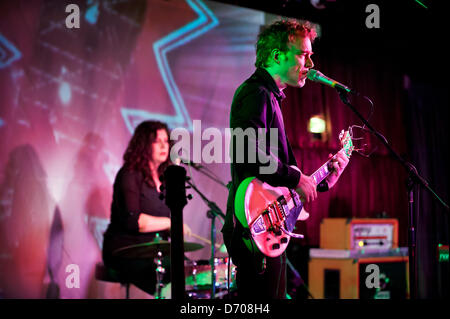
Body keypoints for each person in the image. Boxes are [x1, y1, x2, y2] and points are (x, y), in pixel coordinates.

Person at [222, 19, 350, 299]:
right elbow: (249, 153)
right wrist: (296, 177)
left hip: (268, 226)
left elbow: (279, 183)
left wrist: (324, 180)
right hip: (254, 227)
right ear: (277, 56)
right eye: (303, 54)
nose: (310, 63)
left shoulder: (270, 96)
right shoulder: (256, 92)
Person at [102, 120, 192, 296]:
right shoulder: (129, 174)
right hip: (126, 251)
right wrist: (169, 222)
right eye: (156, 141)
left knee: (190, 271)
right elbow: (133, 221)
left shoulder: (164, 178)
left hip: (153, 251)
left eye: (166, 141)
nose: (163, 146)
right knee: (171, 274)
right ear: (144, 144)